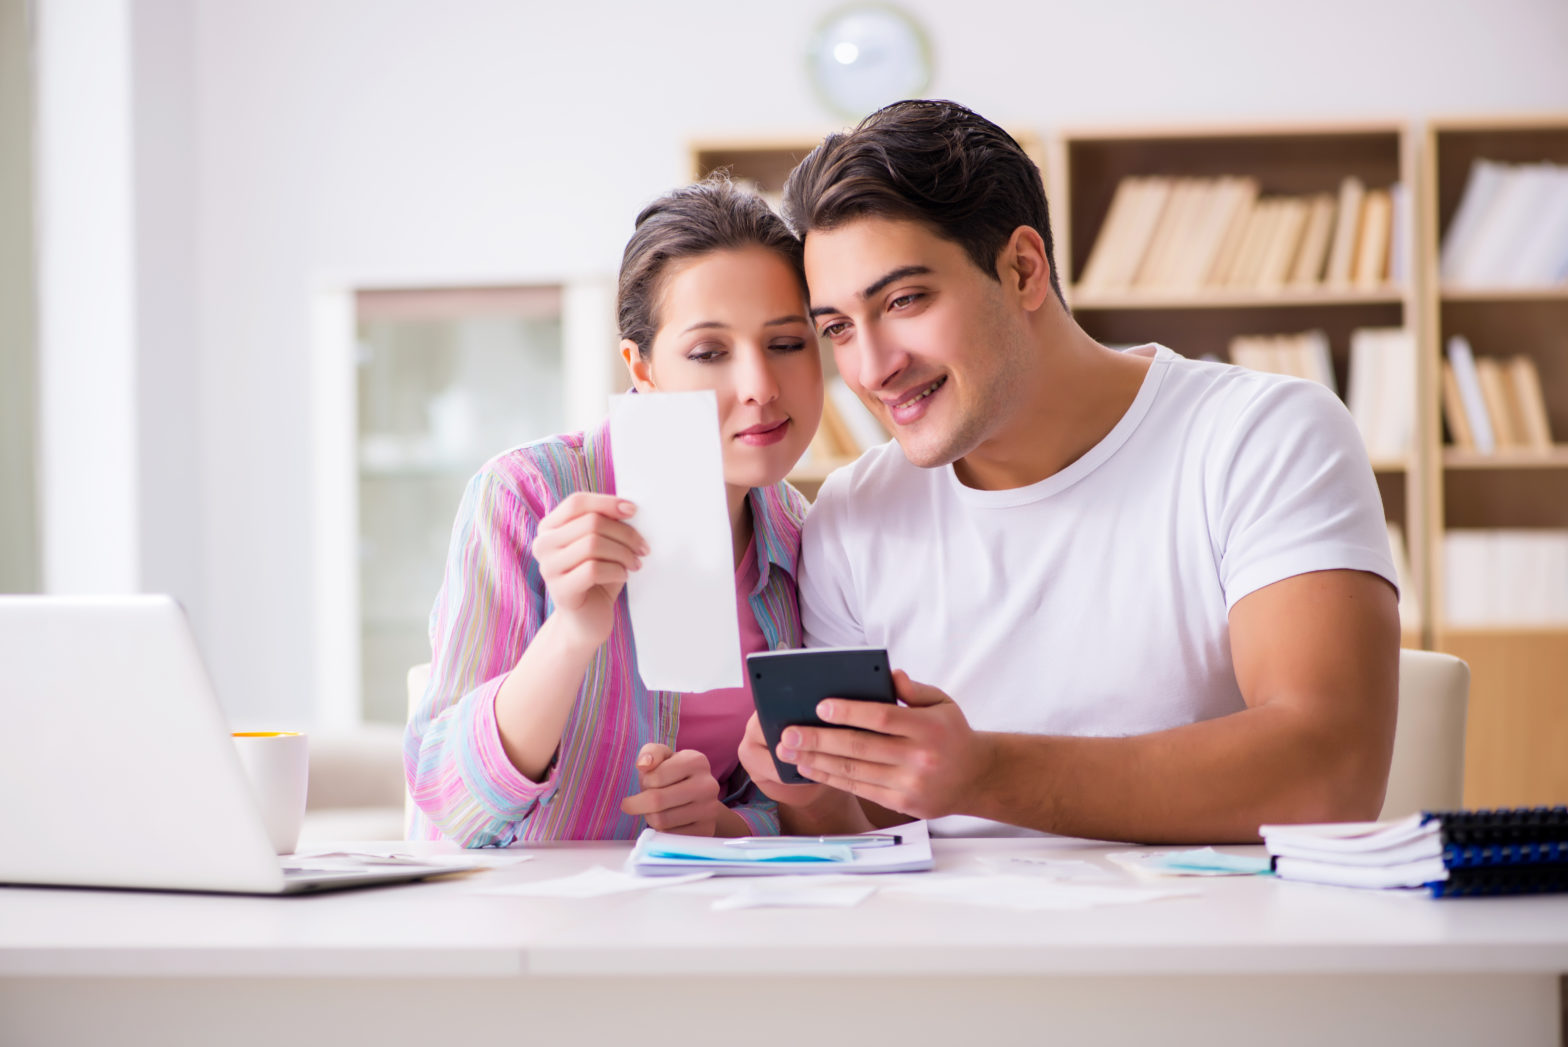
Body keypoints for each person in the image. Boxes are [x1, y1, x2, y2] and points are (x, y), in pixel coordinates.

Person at [736, 100, 1401, 844]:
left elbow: (1329, 772)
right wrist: (812, 789)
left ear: (1023, 268)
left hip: (1210, 946)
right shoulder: (854, 513)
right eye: (837, 329)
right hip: (944, 950)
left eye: (904, 300)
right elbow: (874, 825)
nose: (871, 367)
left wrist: (983, 773)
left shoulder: (1262, 437)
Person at [405, 176, 823, 846]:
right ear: (643, 367)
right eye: (710, 352)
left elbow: (785, 790)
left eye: (786, 342)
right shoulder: (523, 495)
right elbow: (450, 802)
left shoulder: (800, 535)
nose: (761, 388)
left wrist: (723, 820)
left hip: (684, 923)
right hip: (515, 930)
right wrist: (570, 633)